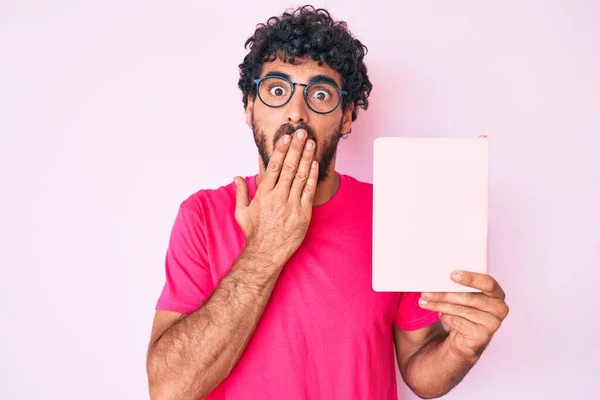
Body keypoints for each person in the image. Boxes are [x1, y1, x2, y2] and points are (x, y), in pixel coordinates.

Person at [145, 5, 509, 399]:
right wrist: (266, 250)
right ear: (249, 107)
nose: (296, 113)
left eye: (320, 93)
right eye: (277, 90)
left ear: (347, 115)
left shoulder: (393, 210)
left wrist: (461, 347)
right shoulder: (202, 216)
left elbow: (420, 369)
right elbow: (170, 389)